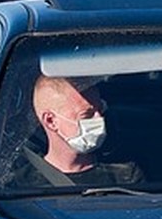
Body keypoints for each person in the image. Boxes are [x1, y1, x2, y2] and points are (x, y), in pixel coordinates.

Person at [14, 75, 143, 187]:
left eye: (101, 110)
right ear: (51, 121)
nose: (99, 119)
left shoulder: (125, 177)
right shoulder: (19, 186)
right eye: (87, 116)